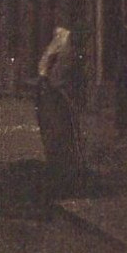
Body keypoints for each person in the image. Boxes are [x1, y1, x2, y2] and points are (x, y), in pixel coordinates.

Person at [36, 25, 85, 194]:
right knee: (59, 134)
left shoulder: (65, 47)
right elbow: (51, 73)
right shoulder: (62, 45)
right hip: (56, 98)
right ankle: (62, 173)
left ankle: (65, 171)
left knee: (65, 134)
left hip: (60, 97)